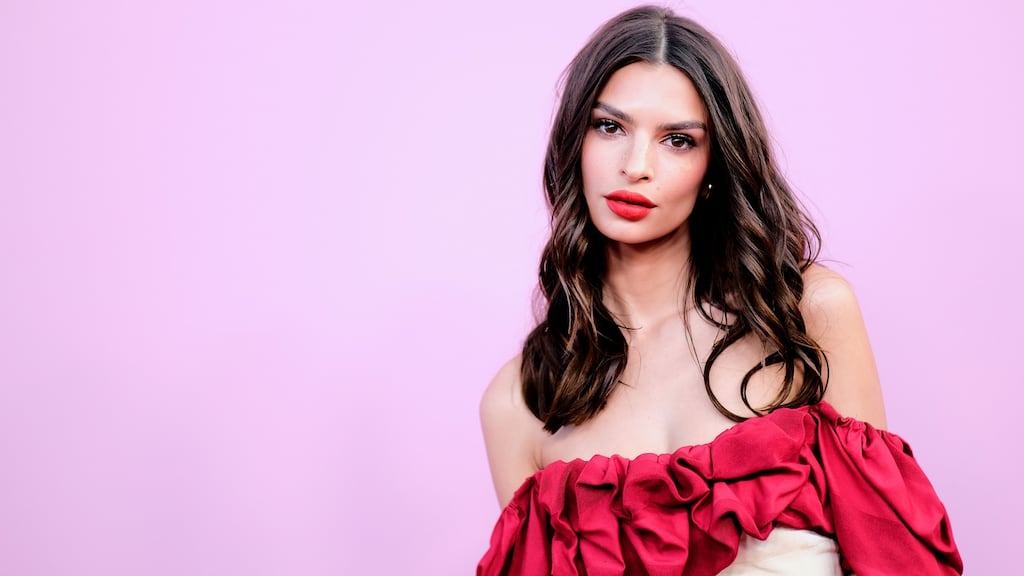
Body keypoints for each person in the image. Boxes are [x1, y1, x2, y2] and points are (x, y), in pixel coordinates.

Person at [477, 5, 962, 575]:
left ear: (713, 166)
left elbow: (894, 558)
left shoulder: (805, 316)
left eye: (677, 140)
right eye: (610, 127)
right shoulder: (518, 404)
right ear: (573, 141)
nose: (636, 165)